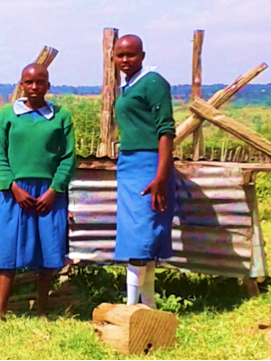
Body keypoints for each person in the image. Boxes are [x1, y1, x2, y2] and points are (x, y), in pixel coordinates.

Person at [0, 63, 76, 325]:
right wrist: (11, 187)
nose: (34, 87)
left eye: (40, 82)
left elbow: (68, 157)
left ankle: (41, 310)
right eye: (29, 82)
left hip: (49, 194)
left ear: (48, 85)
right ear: (21, 85)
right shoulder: (7, 115)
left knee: (47, 249)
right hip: (14, 193)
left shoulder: (61, 117)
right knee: (6, 249)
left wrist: (54, 189)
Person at [113, 35, 176, 308]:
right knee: (137, 235)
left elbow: (166, 131)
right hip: (129, 164)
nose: (125, 60)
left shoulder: (153, 83)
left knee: (142, 236)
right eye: (120, 55)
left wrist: (160, 177)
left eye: (131, 55)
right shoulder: (127, 87)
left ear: (143, 55)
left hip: (149, 165)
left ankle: (131, 308)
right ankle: (147, 307)